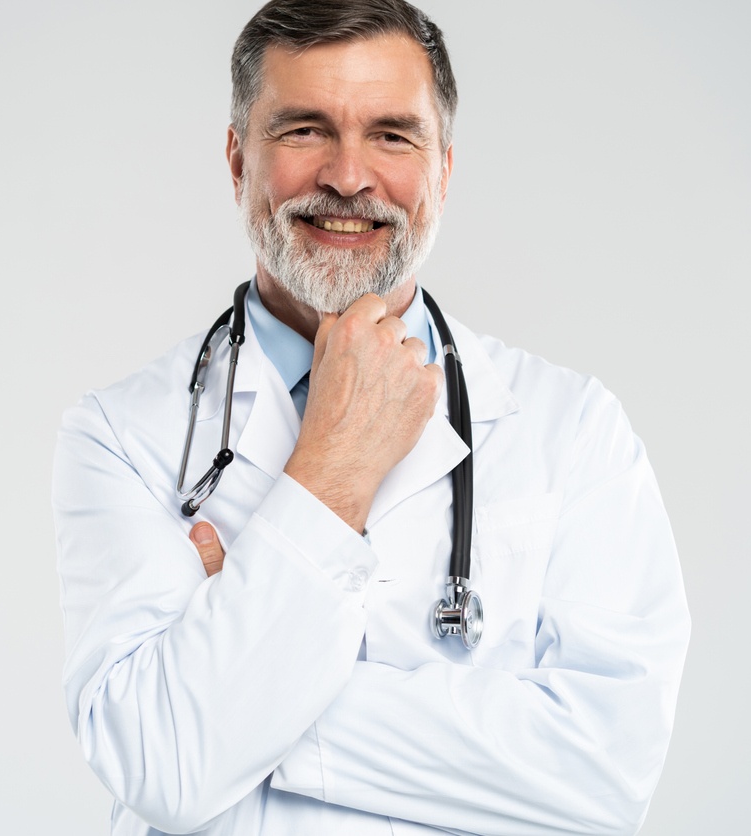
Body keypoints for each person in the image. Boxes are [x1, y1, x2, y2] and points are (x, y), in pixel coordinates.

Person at [52, 1, 690, 833]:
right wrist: (333, 467)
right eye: (305, 130)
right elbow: (164, 769)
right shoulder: (119, 436)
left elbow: (605, 776)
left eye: (392, 135)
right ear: (238, 160)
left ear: (445, 170)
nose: (349, 176)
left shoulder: (572, 430)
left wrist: (229, 690)